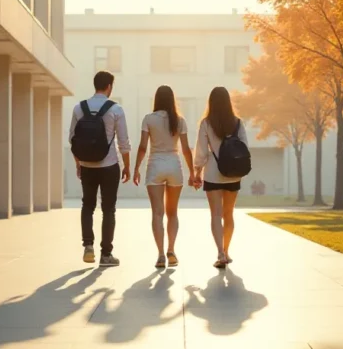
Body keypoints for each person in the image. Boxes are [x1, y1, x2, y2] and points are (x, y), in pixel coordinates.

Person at [69, 71, 131, 267]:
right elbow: (123, 142)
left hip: (87, 165)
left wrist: (79, 162)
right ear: (109, 87)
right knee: (108, 209)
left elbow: (73, 139)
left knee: (87, 205)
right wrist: (127, 166)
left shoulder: (79, 108)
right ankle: (106, 254)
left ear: (94, 85)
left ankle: (88, 247)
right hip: (109, 165)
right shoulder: (116, 109)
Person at [132, 85, 195, 269]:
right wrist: (192, 173)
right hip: (174, 165)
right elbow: (185, 148)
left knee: (157, 213)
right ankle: (171, 250)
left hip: (155, 165)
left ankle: (160, 255)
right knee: (172, 212)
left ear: (156, 99)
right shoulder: (179, 120)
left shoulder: (148, 119)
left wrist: (136, 168)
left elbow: (143, 147)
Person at [192, 86, 246, 269]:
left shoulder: (206, 123)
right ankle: (227, 250)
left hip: (213, 173)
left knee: (215, 214)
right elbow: (244, 146)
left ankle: (220, 253)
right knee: (228, 214)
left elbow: (201, 151)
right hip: (233, 175)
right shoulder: (237, 123)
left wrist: (197, 172)